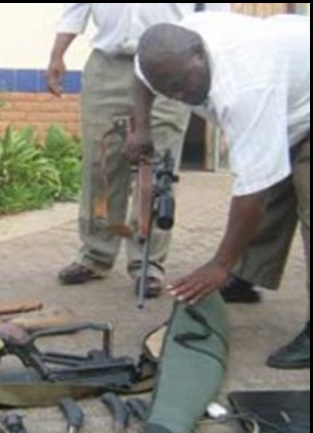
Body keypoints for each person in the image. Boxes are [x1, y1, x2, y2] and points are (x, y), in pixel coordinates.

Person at [130, 12, 310, 369]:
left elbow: (251, 192)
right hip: (289, 89)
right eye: (170, 92)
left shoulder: (246, 87)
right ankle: (245, 278)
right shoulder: (164, 55)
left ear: (199, 52)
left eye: (182, 85)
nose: (180, 95)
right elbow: (139, 77)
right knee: (273, 183)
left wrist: (219, 263)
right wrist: (142, 128)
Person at [47, 3, 230, 298]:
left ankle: (148, 264)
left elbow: (218, 13)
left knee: (159, 172)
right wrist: (58, 53)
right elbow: (75, 8)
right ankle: (95, 255)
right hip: (108, 65)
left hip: (170, 67)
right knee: (101, 166)